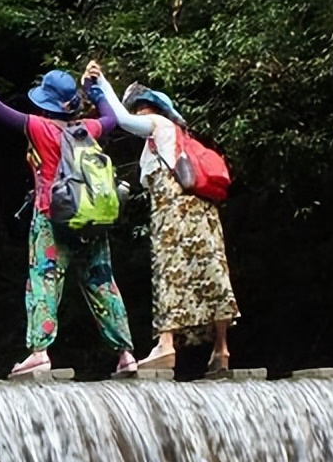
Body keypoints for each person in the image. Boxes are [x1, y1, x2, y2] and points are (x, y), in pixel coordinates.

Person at [0, 49, 136, 378]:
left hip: (52, 218)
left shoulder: (40, 128)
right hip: (92, 218)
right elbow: (112, 118)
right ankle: (125, 353)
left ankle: (40, 352)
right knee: (101, 282)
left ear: (47, 103)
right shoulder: (88, 128)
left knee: (43, 281)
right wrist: (95, 89)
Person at [93, 74, 238, 372]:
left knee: (168, 272)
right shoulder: (172, 139)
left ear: (148, 109)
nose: (137, 114)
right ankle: (221, 350)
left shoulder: (159, 126)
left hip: (172, 214)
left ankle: (166, 345)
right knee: (212, 270)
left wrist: (102, 84)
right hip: (201, 211)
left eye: (139, 109)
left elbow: (119, 119)